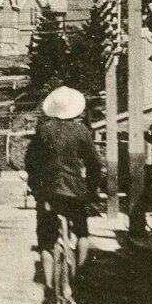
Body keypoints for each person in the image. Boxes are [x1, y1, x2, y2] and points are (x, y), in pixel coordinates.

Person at [24, 86, 102, 290]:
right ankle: (80, 276)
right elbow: (94, 164)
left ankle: (50, 286)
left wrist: (35, 188)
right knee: (82, 233)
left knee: (46, 241)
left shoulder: (43, 130)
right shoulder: (81, 130)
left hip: (48, 193)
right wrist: (91, 190)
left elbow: (30, 162)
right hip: (75, 192)